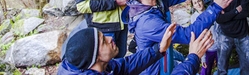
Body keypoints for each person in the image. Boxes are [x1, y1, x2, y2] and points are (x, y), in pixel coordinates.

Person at [123, 0, 238, 75]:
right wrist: (215, 8)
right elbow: (188, 34)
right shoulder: (147, 23)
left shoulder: (159, 0)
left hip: (166, 59)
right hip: (157, 71)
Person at [58, 23, 215, 75]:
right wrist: (193, 57)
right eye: (103, 41)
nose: (110, 38)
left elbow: (126, 65)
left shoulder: (101, 67)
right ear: (94, 58)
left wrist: (159, 49)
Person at [214, 0, 249, 75]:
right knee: (222, 68)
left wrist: (227, 16)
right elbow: (218, 19)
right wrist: (236, 11)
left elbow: (246, 12)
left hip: (242, 33)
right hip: (224, 35)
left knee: (248, 67)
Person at [190, 0, 218, 75]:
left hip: (219, 46)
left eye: (199, 1)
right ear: (193, 6)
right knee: (205, 71)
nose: (198, 4)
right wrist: (202, 58)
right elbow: (196, 37)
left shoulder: (211, 12)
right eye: (195, 3)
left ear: (202, 1)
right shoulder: (194, 18)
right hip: (207, 48)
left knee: (223, 68)